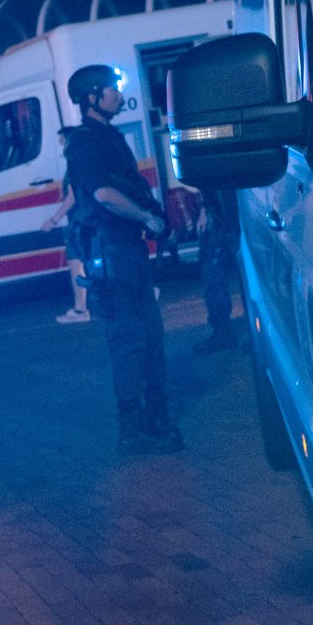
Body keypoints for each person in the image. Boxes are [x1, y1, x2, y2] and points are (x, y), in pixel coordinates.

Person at [63, 65, 182, 454]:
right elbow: (103, 195)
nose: (118, 95)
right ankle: (132, 431)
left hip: (126, 251)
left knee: (150, 336)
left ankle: (156, 418)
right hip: (111, 253)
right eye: (111, 90)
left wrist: (155, 219)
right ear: (92, 98)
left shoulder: (107, 136)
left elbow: (125, 186)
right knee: (129, 341)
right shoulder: (84, 143)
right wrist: (147, 217)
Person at [42, 126, 94, 325]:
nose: (60, 147)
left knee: (76, 265)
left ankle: (81, 310)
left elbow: (72, 197)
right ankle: (80, 307)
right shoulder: (82, 162)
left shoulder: (74, 164)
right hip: (83, 220)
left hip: (79, 222)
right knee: (81, 264)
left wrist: (53, 220)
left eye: (62, 142)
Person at [196, 187, 242, 353]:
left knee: (214, 278)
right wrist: (205, 209)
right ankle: (224, 333)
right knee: (215, 277)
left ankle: (223, 334)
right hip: (225, 216)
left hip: (228, 218)